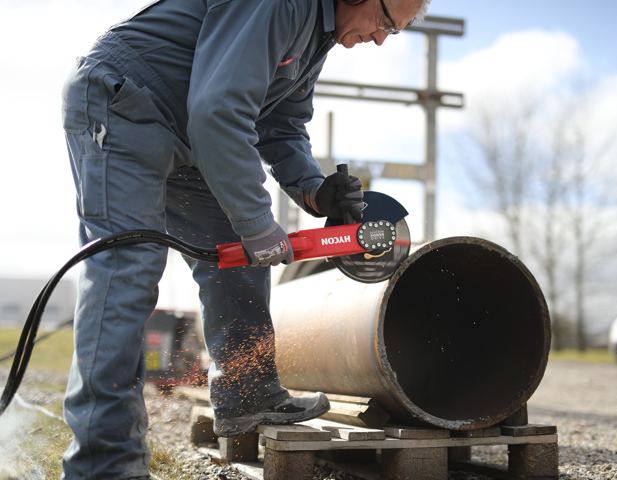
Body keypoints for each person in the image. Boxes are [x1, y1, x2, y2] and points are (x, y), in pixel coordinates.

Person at [60, 0, 430, 478]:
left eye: (392, 32)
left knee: (236, 261)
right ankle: (104, 464)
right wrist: (258, 223)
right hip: (126, 101)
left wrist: (316, 192)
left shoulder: (316, 36)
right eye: (384, 22)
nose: (381, 39)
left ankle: (247, 392)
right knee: (127, 272)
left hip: (189, 130)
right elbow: (218, 111)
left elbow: (281, 126)